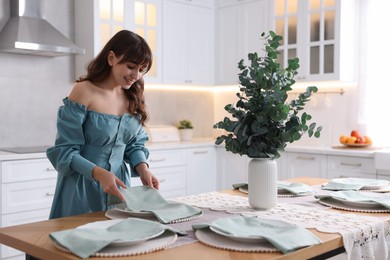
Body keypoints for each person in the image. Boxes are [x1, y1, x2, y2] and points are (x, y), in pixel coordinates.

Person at [46, 30, 159, 219]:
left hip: (120, 186)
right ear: (112, 58)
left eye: (142, 70)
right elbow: (65, 150)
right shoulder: (84, 91)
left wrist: (143, 169)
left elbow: (134, 144)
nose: (136, 75)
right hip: (81, 185)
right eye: (131, 66)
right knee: (78, 242)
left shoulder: (132, 95)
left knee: (118, 242)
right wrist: (99, 174)